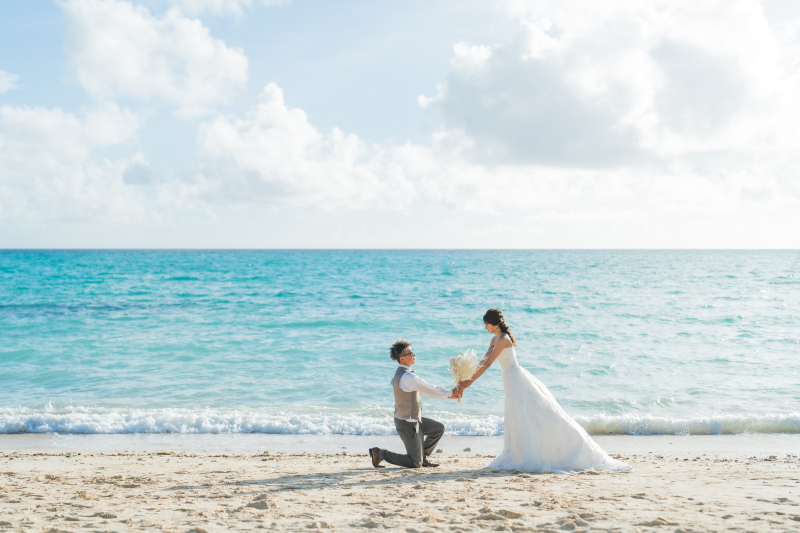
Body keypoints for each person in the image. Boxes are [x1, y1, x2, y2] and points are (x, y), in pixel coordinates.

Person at [456, 309, 632, 473]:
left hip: (516, 378)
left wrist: (470, 383)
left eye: (486, 324)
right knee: (517, 415)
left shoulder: (503, 340)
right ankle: (519, 453)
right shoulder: (494, 339)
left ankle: (559, 449)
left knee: (535, 414)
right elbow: (483, 361)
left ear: (495, 324)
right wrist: (465, 377)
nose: (485, 327)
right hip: (508, 379)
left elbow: (488, 364)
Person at [369, 340, 461, 469]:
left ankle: (422, 456)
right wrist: (451, 392)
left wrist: (450, 395)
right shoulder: (407, 377)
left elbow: (425, 392)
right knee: (414, 463)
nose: (414, 355)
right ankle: (379, 453)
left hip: (413, 419)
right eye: (411, 353)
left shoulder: (404, 374)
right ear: (402, 358)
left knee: (438, 428)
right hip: (407, 423)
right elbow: (430, 389)